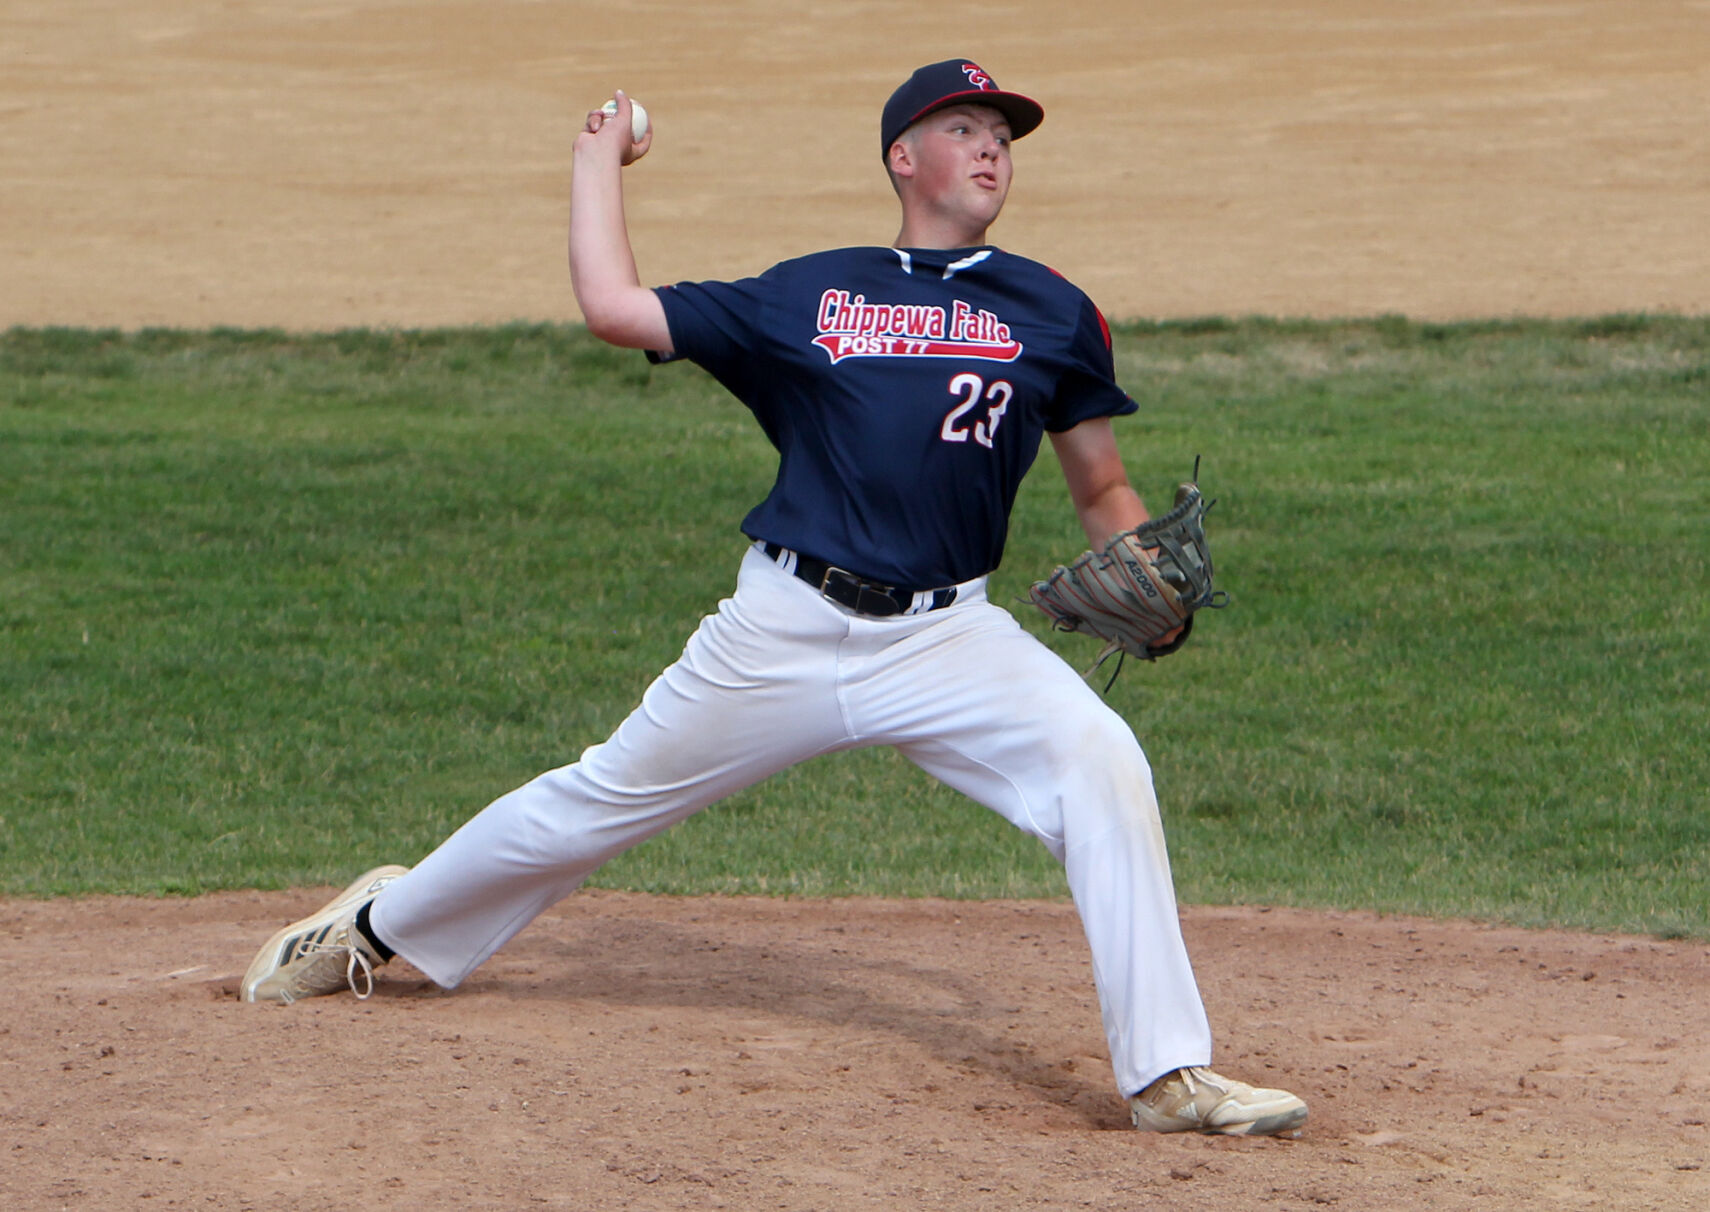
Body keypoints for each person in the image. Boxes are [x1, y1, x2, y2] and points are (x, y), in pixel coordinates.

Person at [241, 59, 1308, 1137]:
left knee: (1101, 758)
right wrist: (595, 160)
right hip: (785, 630)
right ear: (904, 156)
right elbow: (615, 308)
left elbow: (1103, 487)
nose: (993, 146)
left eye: (1004, 133)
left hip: (950, 640)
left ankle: (1167, 1076)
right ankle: (373, 926)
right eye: (967, 126)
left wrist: (1147, 576)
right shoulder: (810, 292)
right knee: (600, 798)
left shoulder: (1054, 311)